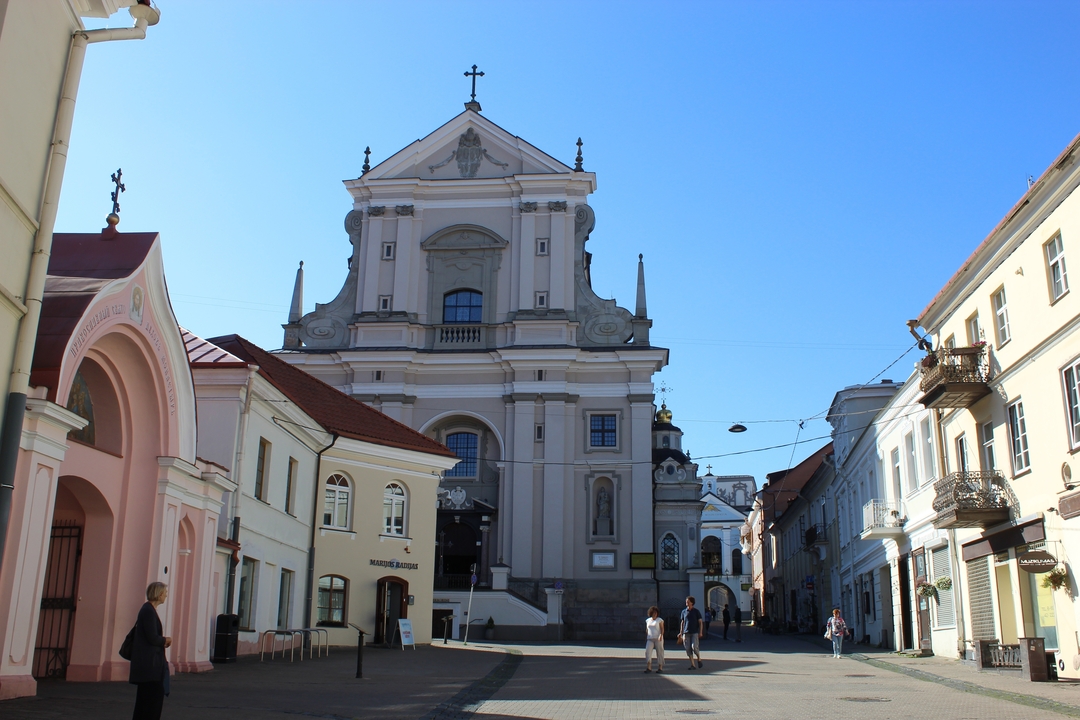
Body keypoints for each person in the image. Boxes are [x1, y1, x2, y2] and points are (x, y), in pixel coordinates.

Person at [130, 581, 171, 719]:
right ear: (159, 594)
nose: (166, 596)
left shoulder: (148, 610)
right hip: (150, 667)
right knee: (151, 704)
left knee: (145, 703)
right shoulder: (148, 611)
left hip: (149, 666)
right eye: (165, 593)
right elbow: (152, 637)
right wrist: (165, 640)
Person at [678, 596, 704, 670]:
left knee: (694, 647)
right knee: (688, 649)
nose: (686, 602)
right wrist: (681, 632)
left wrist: (700, 632)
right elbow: (682, 622)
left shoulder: (696, 611)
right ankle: (693, 665)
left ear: (692, 603)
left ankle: (699, 659)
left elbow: (700, 622)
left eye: (688, 601)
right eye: (686, 601)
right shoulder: (684, 612)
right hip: (686, 633)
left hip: (694, 632)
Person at [644, 606, 665, 673]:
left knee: (659, 652)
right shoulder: (648, 620)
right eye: (653, 612)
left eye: (656, 613)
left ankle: (660, 667)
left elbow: (662, 629)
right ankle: (649, 667)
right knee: (648, 652)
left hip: (658, 639)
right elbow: (647, 629)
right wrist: (647, 635)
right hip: (650, 638)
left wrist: (661, 635)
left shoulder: (659, 620)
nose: (655, 614)